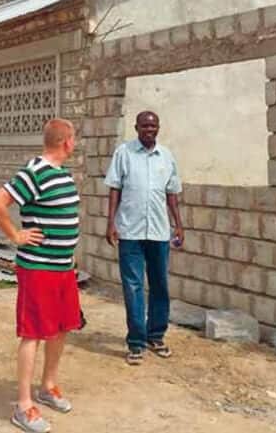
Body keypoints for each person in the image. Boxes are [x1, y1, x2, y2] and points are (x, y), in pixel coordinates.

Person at [0, 118, 81, 433]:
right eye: (74, 138)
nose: (75, 143)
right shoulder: (34, 173)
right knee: (33, 333)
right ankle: (24, 405)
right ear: (66, 141)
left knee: (61, 328)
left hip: (63, 267)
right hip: (39, 268)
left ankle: (48, 386)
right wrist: (16, 235)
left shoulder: (61, 173)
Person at [104, 111, 183, 366]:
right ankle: (136, 343)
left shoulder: (166, 156)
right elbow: (115, 189)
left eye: (153, 125)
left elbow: (172, 193)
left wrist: (178, 225)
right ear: (136, 127)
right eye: (145, 126)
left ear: (158, 128)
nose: (150, 129)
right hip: (130, 231)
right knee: (133, 286)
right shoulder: (124, 153)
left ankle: (155, 336)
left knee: (160, 284)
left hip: (159, 231)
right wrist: (111, 223)